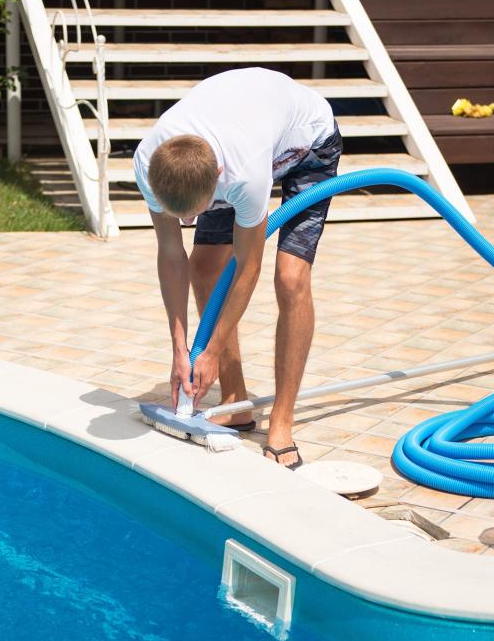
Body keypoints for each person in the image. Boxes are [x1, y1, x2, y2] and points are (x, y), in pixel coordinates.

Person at [134, 68, 341, 470]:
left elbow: (248, 266)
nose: (190, 224)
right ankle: (235, 401)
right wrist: (179, 349)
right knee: (204, 265)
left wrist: (209, 350)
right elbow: (170, 255)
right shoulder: (149, 164)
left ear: (216, 181)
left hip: (307, 145)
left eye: (197, 213)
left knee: (290, 277)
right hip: (241, 137)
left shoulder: (244, 174)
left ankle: (282, 420)